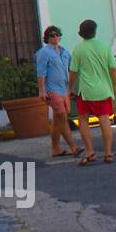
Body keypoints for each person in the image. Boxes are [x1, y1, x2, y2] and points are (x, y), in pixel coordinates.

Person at [69, 19, 116, 166]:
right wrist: (114, 86)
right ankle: (108, 153)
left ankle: (90, 151)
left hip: (86, 91)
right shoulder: (104, 47)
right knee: (104, 120)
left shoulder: (78, 49)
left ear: (81, 34)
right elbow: (113, 69)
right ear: (95, 31)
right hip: (103, 90)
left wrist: (70, 88)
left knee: (83, 119)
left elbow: (73, 72)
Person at [35, 26, 83, 160]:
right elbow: (41, 72)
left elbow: (73, 68)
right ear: (47, 38)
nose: (55, 37)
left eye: (57, 35)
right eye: (52, 35)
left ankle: (56, 149)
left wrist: (72, 89)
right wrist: (42, 90)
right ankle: (74, 147)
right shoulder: (44, 52)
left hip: (64, 90)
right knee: (62, 116)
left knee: (58, 119)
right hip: (52, 90)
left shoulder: (65, 52)